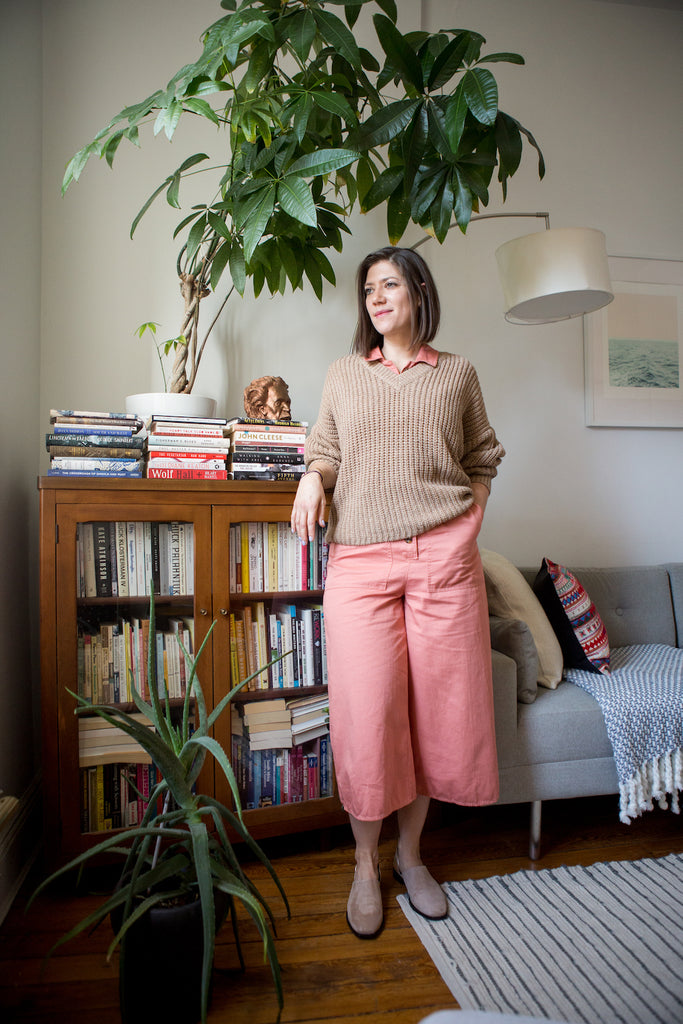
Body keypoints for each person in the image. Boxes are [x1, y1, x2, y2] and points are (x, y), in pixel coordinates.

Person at [290, 246, 505, 938]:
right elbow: (324, 450)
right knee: (370, 715)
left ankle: (411, 858)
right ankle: (363, 862)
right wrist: (309, 477)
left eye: (388, 284)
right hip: (359, 564)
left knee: (438, 717)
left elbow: (482, 458)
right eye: (367, 289)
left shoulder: (457, 374)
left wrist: (464, 527)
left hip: (442, 560)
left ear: (416, 290)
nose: (376, 297)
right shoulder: (344, 375)